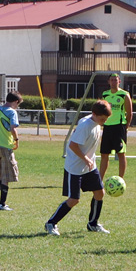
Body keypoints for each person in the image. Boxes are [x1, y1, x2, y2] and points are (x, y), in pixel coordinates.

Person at [45, 100, 113, 236]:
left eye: (105, 119)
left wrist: (90, 160)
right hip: (75, 167)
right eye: (102, 119)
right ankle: (51, 223)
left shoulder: (96, 122)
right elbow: (73, 145)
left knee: (99, 193)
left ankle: (93, 224)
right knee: (74, 200)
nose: (104, 121)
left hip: (89, 166)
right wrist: (86, 158)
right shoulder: (85, 125)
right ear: (94, 114)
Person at [100, 73, 133, 181]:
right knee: (104, 154)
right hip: (107, 128)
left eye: (115, 80)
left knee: (121, 154)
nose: (114, 82)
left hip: (119, 128)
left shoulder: (124, 94)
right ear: (108, 82)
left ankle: (120, 179)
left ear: (119, 81)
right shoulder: (105, 95)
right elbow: (102, 111)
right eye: (112, 80)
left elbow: (129, 113)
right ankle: (99, 179)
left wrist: (125, 126)